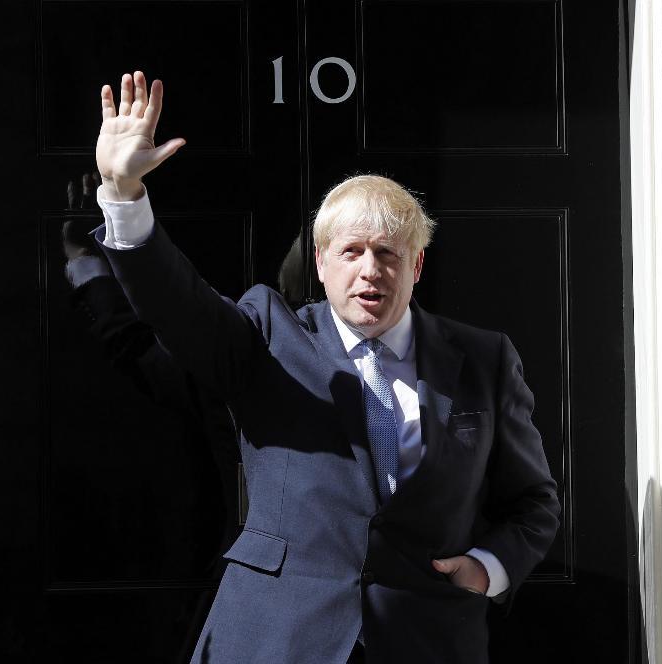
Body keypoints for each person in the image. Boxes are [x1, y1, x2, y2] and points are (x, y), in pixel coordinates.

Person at [90, 70, 561, 663]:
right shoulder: (266, 332)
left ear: (416, 267)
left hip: (427, 638)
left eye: (389, 253)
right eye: (352, 252)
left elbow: (534, 502)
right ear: (320, 262)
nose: (371, 270)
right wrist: (124, 194)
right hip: (276, 636)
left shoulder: (485, 359)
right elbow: (177, 306)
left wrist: (487, 569)